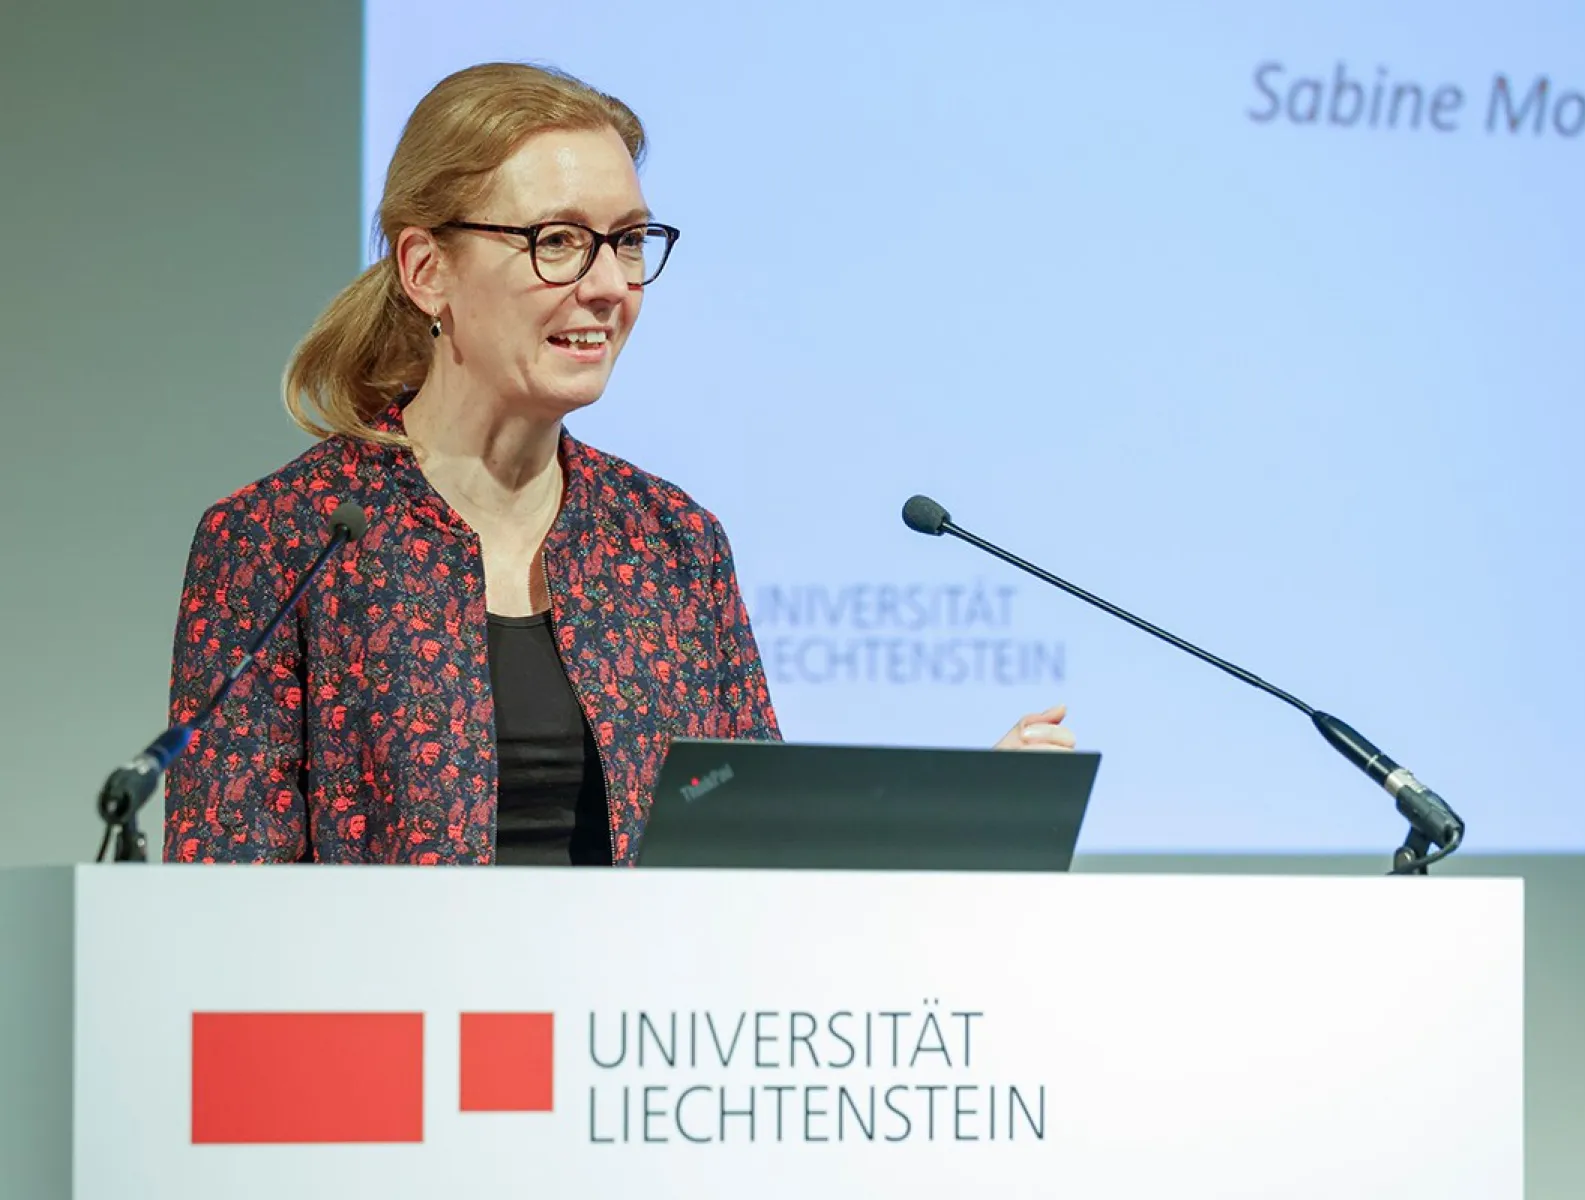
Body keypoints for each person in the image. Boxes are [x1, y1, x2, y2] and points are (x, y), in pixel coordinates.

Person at [161, 61, 1076, 867]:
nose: (608, 286)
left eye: (629, 241)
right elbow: (223, 896)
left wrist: (952, 821)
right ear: (426, 269)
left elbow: (759, 863)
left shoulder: (672, 542)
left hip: (636, 1015)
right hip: (397, 1014)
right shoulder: (281, 541)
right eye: (556, 241)